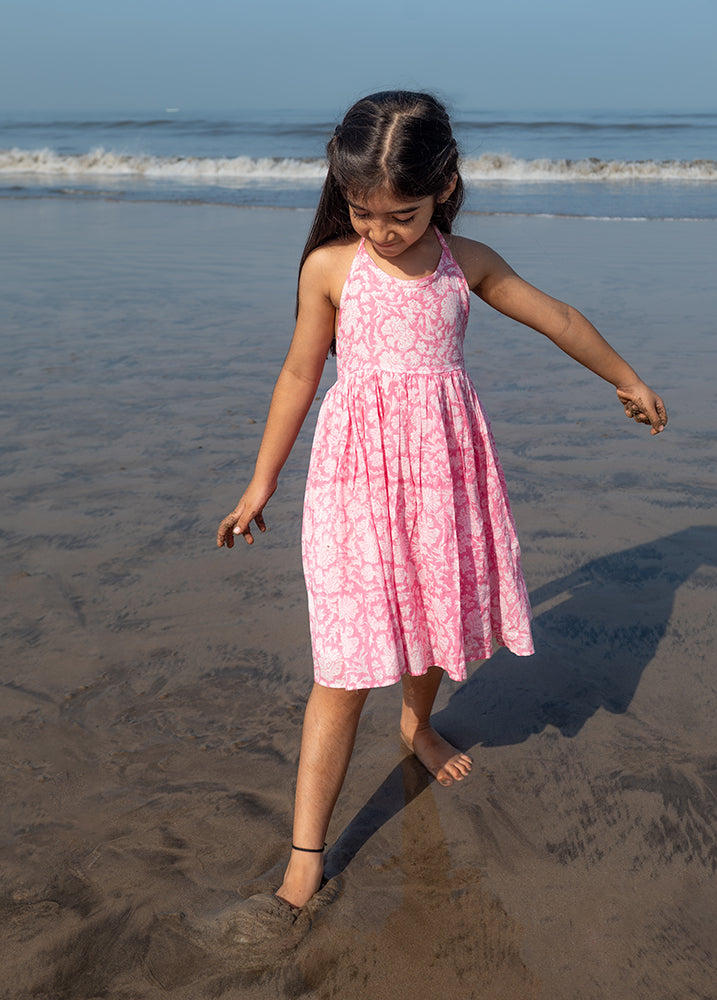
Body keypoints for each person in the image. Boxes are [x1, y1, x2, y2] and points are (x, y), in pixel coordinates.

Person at [216, 90, 667, 909]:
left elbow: (557, 318)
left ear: (446, 188)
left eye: (403, 214)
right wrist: (260, 481)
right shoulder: (331, 267)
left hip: (443, 481)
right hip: (355, 489)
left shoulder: (469, 263)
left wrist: (626, 377)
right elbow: (297, 375)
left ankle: (417, 726)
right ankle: (305, 856)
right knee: (344, 667)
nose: (382, 232)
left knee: (431, 617)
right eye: (362, 212)